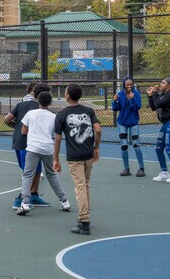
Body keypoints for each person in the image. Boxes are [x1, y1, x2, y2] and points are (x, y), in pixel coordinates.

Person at [54, 84, 101, 235]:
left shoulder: (62, 114)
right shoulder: (88, 111)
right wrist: (96, 147)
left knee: (80, 186)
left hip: (74, 157)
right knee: (85, 185)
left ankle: (84, 221)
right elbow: (98, 130)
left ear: (67, 95)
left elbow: (58, 138)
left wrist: (56, 158)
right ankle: (85, 215)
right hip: (88, 154)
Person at [16, 91, 71, 216]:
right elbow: (56, 133)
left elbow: (23, 131)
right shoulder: (53, 116)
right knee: (51, 174)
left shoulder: (31, 114)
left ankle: (25, 203)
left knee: (28, 175)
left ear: (38, 101)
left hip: (33, 148)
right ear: (50, 103)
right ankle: (64, 201)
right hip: (47, 148)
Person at [4, 82, 52, 209]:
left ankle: (34, 196)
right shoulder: (40, 108)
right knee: (30, 172)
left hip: (18, 140)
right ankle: (20, 199)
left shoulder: (21, 105)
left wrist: (16, 126)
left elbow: (6, 119)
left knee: (36, 170)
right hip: (30, 142)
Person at [147, 78, 170, 183]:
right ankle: (164, 173)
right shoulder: (163, 95)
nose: (160, 84)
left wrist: (154, 93)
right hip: (165, 124)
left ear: (169, 86)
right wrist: (150, 95)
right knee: (158, 148)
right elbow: (154, 107)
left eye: (163, 83)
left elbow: (159, 103)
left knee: (169, 149)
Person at [111, 77, 145, 177]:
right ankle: (126, 169)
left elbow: (137, 107)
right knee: (124, 145)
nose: (129, 86)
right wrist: (115, 101)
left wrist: (132, 99)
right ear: (124, 85)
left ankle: (141, 169)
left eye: (131, 84)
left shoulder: (136, 94)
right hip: (122, 123)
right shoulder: (120, 94)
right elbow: (115, 108)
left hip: (133, 122)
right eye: (127, 84)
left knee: (136, 144)